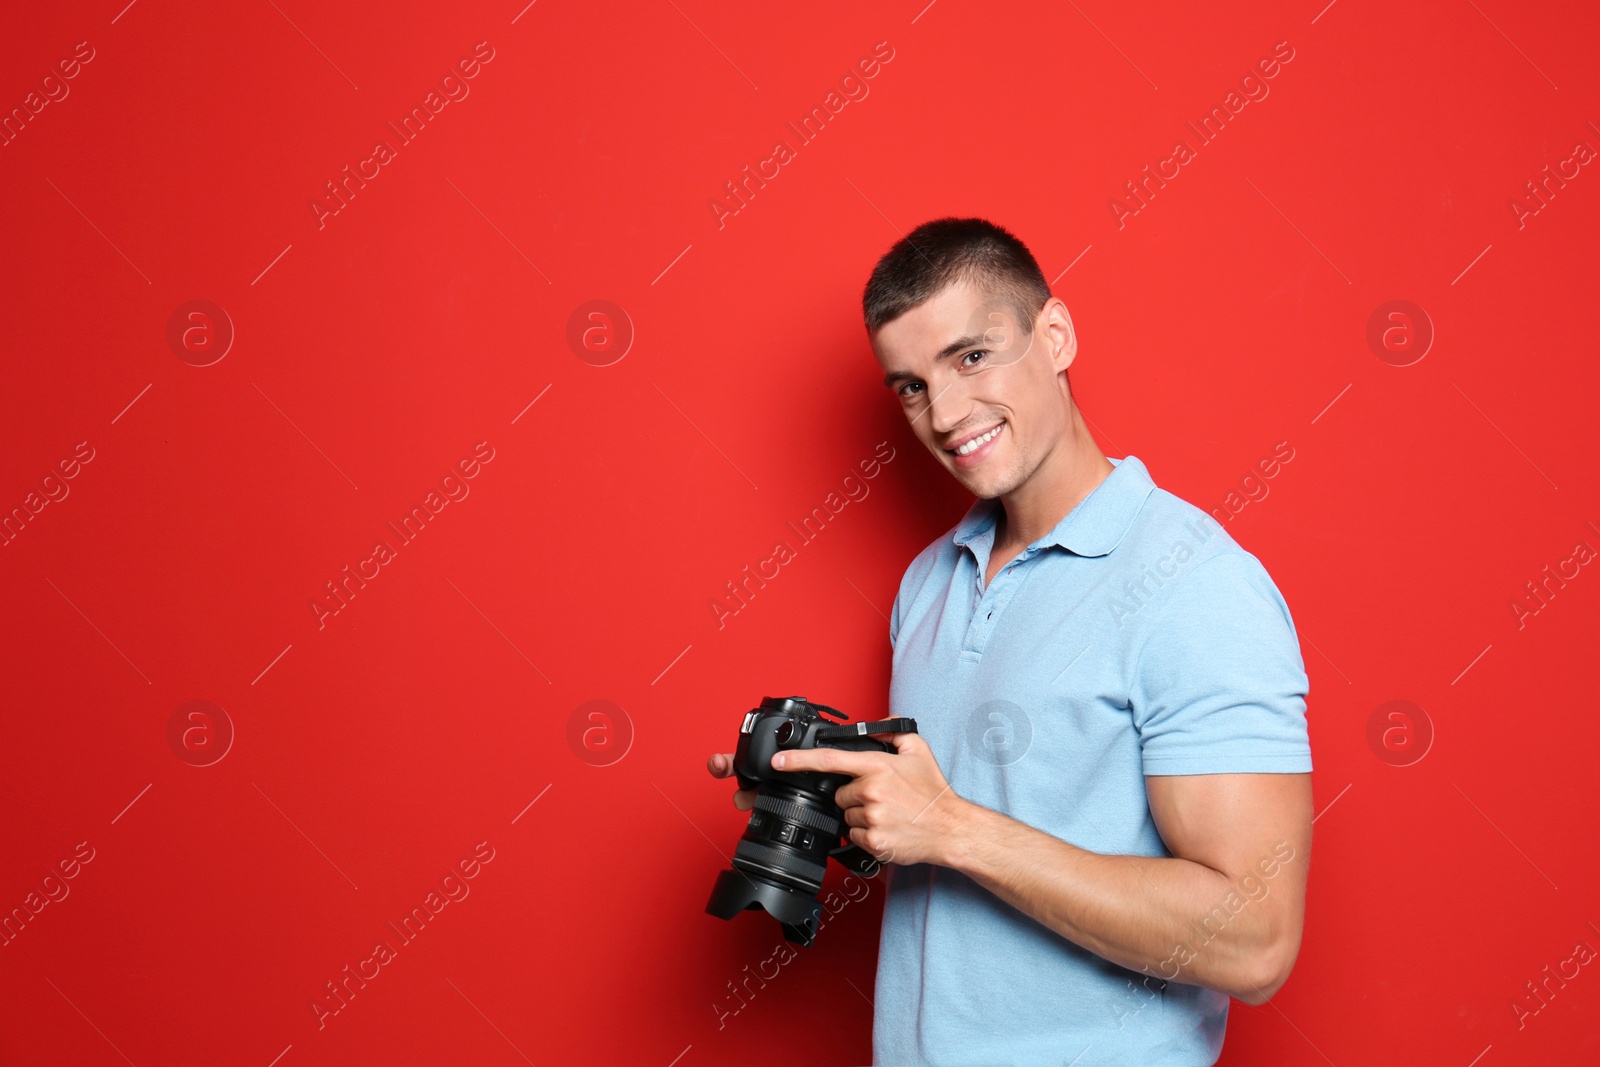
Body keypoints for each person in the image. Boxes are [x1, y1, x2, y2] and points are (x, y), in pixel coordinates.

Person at [707, 217, 1313, 1065]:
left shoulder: (1195, 583)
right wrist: (830, 803)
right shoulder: (930, 581)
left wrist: (952, 827)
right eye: (911, 386)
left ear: (1055, 336)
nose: (947, 414)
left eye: (971, 357)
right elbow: (970, 826)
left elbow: (1255, 940)